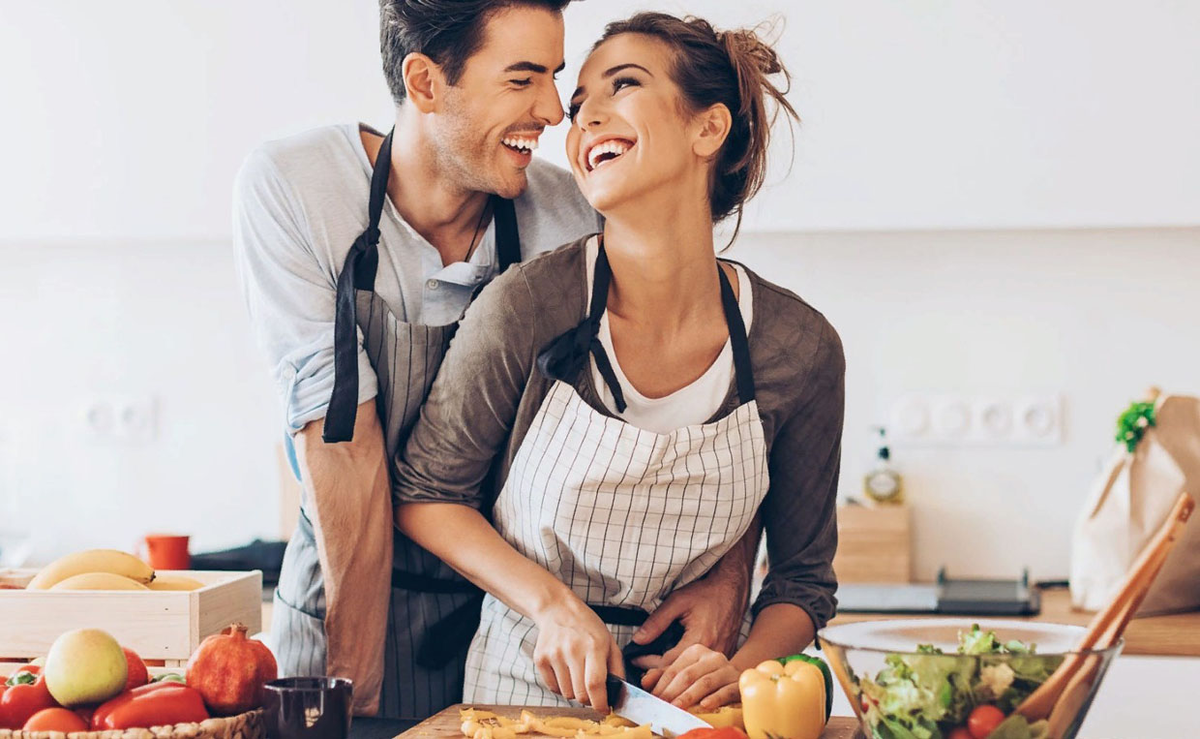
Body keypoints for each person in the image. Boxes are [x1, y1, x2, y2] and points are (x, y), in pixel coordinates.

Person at [234, 1, 757, 719]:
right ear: (425, 83)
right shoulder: (298, 186)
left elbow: (719, 399)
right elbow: (341, 444)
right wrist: (351, 693)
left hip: (518, 641)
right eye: (522, 79)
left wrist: (731, 578)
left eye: (554, 78)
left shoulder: (574, 214)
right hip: (342, 619)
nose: (552, 111)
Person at [392, 11, 844, 713]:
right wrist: (550, 604)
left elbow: (803, 583)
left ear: (707, 129)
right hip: (521, 700)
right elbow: (426, 493)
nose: (580, 118)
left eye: (621, 86)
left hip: (701, 713)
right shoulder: (527, 307)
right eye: (578, 107)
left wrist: (741, 668)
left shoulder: (798, 347)